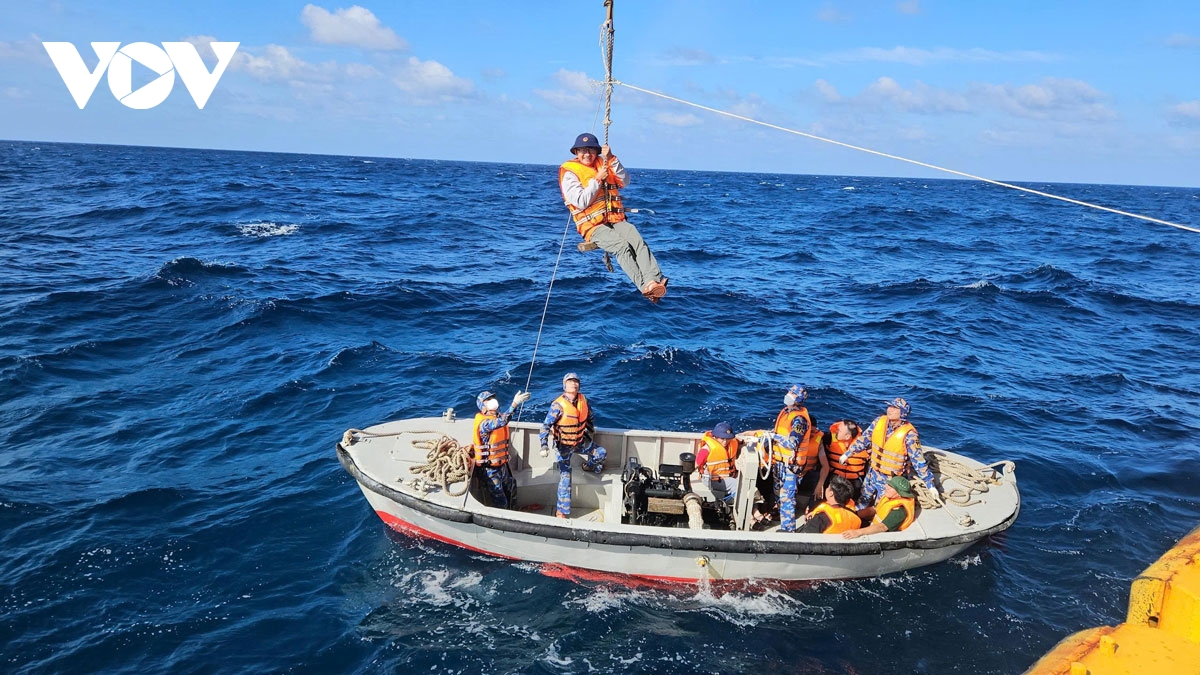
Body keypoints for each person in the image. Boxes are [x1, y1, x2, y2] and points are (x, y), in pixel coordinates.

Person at [558, 133, 668, 302]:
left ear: (596, 151)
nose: (587, 154)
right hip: (592, 226)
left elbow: (625, 180)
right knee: (621, 246)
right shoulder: (570, 173)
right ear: (576, 152)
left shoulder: (604, 163)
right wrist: (597, 180)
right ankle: (645, 287)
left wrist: (611, 158)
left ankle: (653, 281)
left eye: (591, 150)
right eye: (582, 150)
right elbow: (581, 201)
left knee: (636, 240)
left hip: (614, 219)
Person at [838, 397, 936, 509]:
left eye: (894, 408)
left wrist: (930, 485)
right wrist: (848, 453)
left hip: (890, 480)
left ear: (902, 413)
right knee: (862, 500)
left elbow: (918, 461)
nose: (889, 409)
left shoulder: (910, 436)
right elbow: (864, 439)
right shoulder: (878, 422)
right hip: (872, 473)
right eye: (889, 406)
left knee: (881, 507)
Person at [755, 383, 825, 533]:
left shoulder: (799, 420)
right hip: (779, 463)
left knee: (787, 497)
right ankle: (779, 514)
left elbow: (792, 443)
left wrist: (773, 437)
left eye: (792, 393)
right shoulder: (786, 413)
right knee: (778, 492)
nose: (788, 395)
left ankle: (788, 530)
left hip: (791, 466)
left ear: (798, 398)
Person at [539, 372, 608, 519]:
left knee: (601, 453)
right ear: (564, 385)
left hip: (580, 442)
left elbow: (590, 418)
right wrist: (544, 445)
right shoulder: (557, 405)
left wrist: (589, 435)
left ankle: (588, 466)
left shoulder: (584, 400)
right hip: (563, 446)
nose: (574, 384)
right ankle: (561, 511)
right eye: (570, 381)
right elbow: (545, 426)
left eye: (576, 381)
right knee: (565, 477)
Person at [471, 389, 531, 509]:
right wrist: (514, 404)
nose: (492, 400)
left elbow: (504, 418)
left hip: (502, 466)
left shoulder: (496, 417)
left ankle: (514, 510)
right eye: (488, 400)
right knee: (500, 500)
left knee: (512, 487)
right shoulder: (485, 423)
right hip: (490, 469)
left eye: (492, 398)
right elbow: (502, 421)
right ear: (483, 405)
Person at [842, 475, 917, 539]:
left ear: (899, 494)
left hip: (880, 535)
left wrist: (857, 532)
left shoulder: (899, 511)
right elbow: (873, 510)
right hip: (873, 526)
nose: (886, 487)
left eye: (891, 487)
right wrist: (853, 514)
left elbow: (882, 527)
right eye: (888, 484)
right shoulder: (888, 498)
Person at [695, 421, 740, 504]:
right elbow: (696, 464)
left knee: (748, 482)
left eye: (727, 438)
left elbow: (739, 440)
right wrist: (685, 477)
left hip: (730, 476)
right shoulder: (706, 449)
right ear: (715, 437)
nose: (725, 441)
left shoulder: (732, 443)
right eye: (722, 438)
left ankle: (755, 507)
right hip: (713, 480)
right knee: (739, 485)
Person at [825, 419, 867, 500]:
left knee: (856, 493)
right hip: (835, 476)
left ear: (847, 436)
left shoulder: (864, 444)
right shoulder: (830, 438)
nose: (836, 431)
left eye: (839, 431)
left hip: (855, 480)